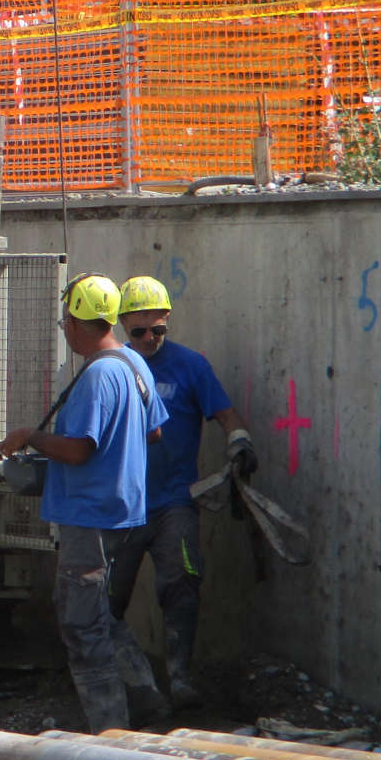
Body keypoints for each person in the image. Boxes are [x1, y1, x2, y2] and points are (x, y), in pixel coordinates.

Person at [0, 273, 171, 732]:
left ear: (76, 321)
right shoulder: (135, 364)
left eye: (65, 322)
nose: (66, 330)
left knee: (82, 625)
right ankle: (145, 694)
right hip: (124, 511)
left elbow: (79, 450)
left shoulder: (98, 374)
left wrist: (30, 438)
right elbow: (153, 431)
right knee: (100, 613)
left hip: (89, 515)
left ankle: (109, 731)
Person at [109, 275, 254, 710]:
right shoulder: (110, 370)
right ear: (122, 326)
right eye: (139, 331)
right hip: (121, 507)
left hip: (174, 503)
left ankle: (180, 678)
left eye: (159, 330)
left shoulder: (191, 367)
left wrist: (240, 442)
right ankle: (132, 687)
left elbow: (227, 415)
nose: (150, 338)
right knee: (104, 601)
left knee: (182, 584)